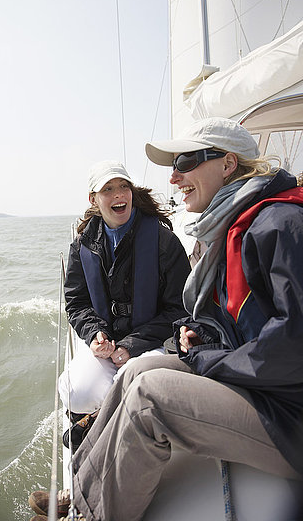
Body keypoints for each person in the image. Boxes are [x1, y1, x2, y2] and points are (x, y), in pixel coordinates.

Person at [29, 118, 303, 521]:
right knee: (135, 373)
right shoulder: (233, 227)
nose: (173, 176)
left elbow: (293, 343)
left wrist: (205, 359)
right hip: (259, 384)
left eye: (186, 161)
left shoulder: (279, 224)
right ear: (94, 200)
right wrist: (199, 335)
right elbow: (243, 318)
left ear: (228, 165)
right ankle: (85, 488)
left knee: (149, 399)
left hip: (285, 412)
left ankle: (89, 517)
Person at [58, 160, 190, 419]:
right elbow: (77, 303)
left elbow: (180, 308)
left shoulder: (164, 242)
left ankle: (104, 420)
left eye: (123, 186)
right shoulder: (82, 247)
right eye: (107, 189)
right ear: (93, 199)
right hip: (106, 343)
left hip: (152, 341)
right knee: (78, 393)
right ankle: (93, 415)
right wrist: (95, 334)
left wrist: (132, 345)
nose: (118, 194)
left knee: (137, 392)